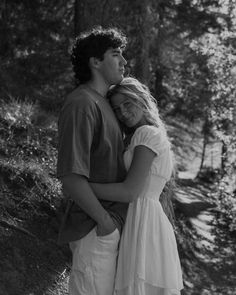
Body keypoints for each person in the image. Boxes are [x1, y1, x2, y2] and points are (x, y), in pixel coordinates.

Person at [90, 77, 184, 295]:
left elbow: (130, 191)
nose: (123, 112)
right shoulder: (146, 135)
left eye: (127, 104)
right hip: (146, 220)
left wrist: (84, 188)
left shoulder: (146, 134)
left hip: (143, 222)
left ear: (141, 100)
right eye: (117, 108)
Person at [56, 27, 128, 295]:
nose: (123, 62)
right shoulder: (81, 103)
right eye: (116, 54)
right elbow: (71, 175)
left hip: (110, 229)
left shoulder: (106, 104)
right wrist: (104, 221)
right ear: (95, 62)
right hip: (95, 229)